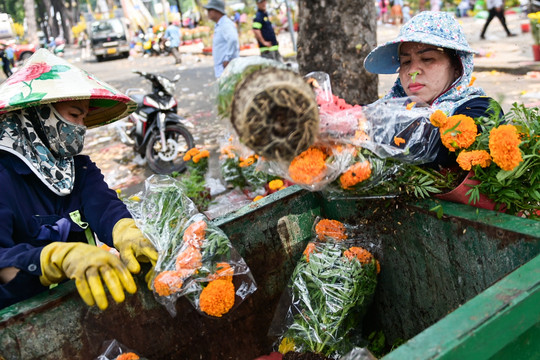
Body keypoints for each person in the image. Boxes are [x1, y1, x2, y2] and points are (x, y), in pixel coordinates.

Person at [0, 49, 158, 311]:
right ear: (38, 115)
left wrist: (125, 231)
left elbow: (105, 206)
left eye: (84, 117)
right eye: (75, 115)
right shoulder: (4, 179)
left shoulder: (79, 169)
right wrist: (54, 259)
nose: (81, 126)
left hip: (84, 305)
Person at [364, 11, 502, 168]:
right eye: (406, 61)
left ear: (457, 67)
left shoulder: (481, 110)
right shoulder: (387, 108)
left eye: (427, 59)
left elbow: (440, 146)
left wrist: (367, 127)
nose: (412, 71)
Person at [204, 0, 240, 78]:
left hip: (227, 70)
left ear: (217, 11)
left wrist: (228, 58)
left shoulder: (225, 24)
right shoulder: (220, 24)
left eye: (210, 10)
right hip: (222, 70)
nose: (208, 13)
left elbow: (233, 39)